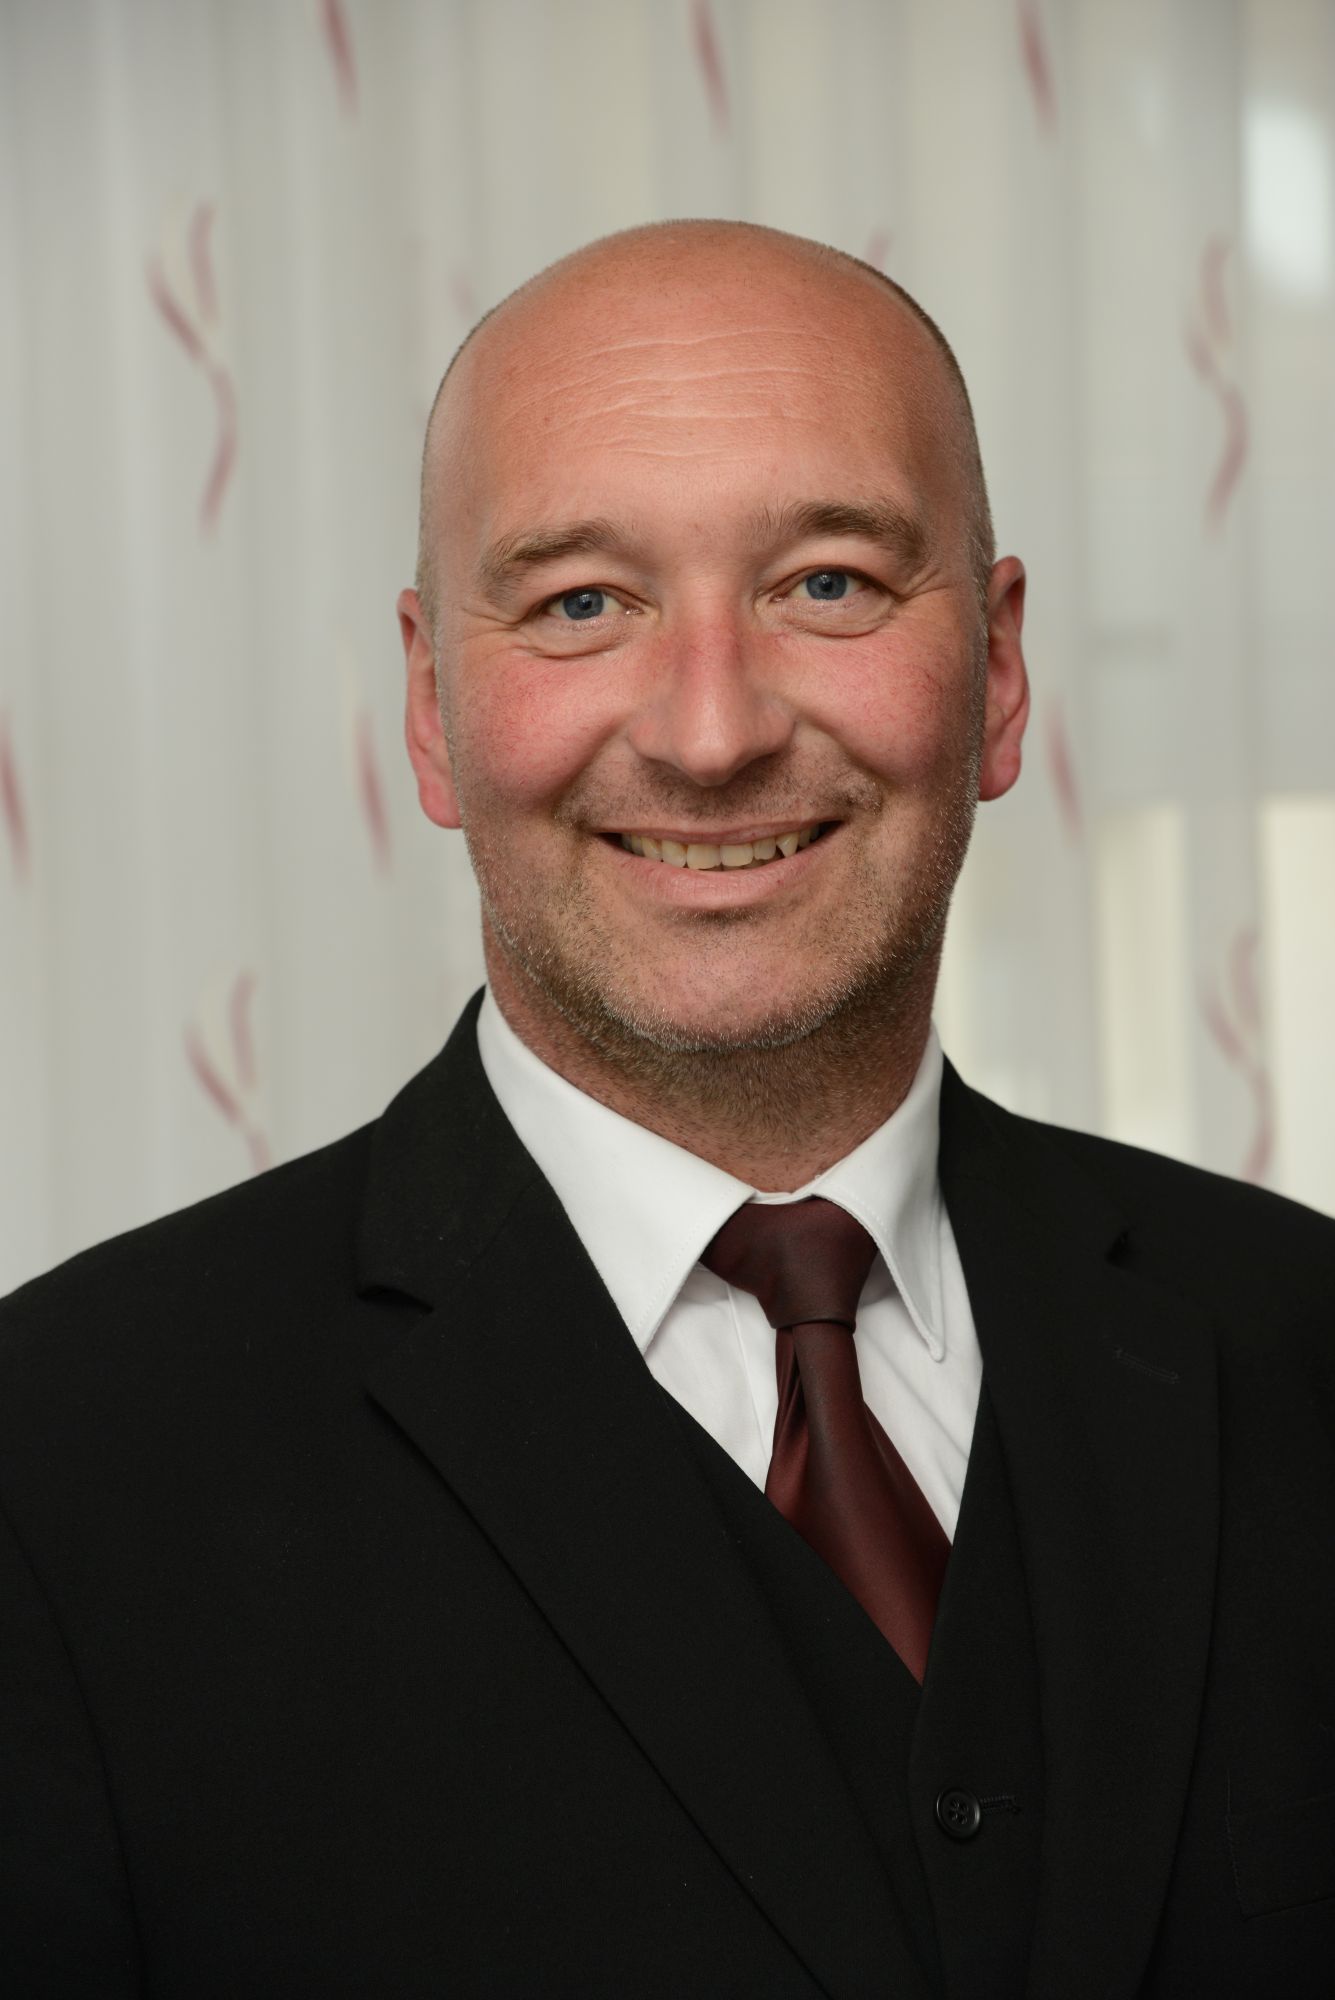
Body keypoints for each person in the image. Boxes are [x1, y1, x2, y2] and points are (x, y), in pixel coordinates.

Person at [1, 221, 1332, 1999]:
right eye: (581, 604)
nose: (712, 736)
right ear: (431, 709)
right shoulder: (57, 1466)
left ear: (1001, 673)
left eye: (829, 583)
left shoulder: (1305, 1338)